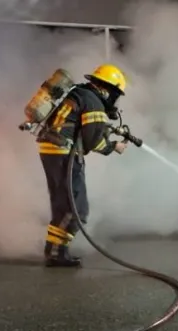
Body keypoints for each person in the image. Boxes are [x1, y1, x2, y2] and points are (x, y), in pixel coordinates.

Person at [37, 63, 129, 267]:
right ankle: (56, 253)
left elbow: (83, 127)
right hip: (64, 152)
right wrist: (114, 146)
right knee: (76, 207)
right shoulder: (94, 102)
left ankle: (55, 250)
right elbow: (93, 141)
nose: (115, 99)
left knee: (62, 201)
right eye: (116, 93)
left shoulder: (80, 93)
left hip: (52, 149)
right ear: (107, 89)